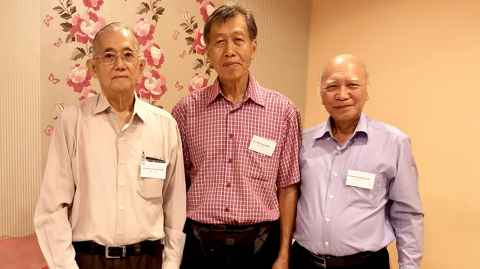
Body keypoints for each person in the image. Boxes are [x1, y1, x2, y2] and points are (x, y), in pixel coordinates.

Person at [34, 23, 186, 269]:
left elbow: (175, 206)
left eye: (127, 55)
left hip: (149, 259)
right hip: (88, 260)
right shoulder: (72, 122)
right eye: (108, 55)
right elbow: (52, 208)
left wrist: (170, 264)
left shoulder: (164, 125)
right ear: (93, 67)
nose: (119, 64)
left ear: (140, 66)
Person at [172, 4, 301, 269]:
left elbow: (288, 186)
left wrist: (284, 254)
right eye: (219, 42)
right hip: (199, 244)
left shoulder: (283, 111)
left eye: (238, 40)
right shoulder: (185, 111)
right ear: (207, 51)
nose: (229, 51)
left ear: (253, 47)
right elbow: (176, 186)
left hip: (262, 245)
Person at [291, 54, 424, 269]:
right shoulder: (302, 142)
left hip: (365, 264)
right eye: (332, 86)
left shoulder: (394, 143)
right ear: (321, 95)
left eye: (352, 85)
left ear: (366, 91)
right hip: (305, 262)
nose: (342, 95)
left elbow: (407, 215)